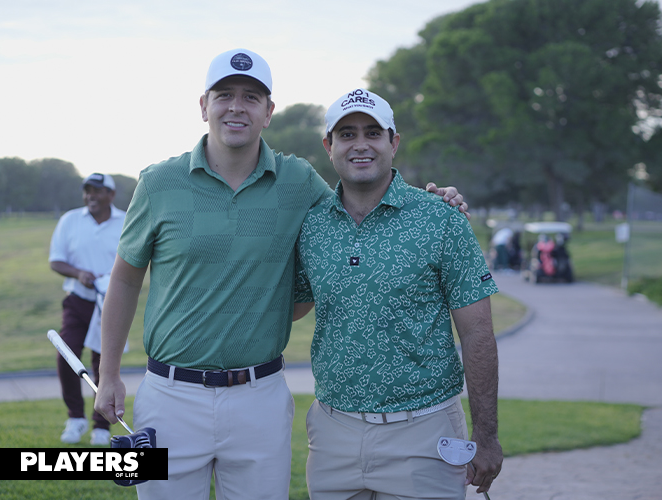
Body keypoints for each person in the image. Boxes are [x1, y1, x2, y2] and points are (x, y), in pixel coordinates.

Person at [94, 48, 467, 500]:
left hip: (260, 397)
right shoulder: (158, 183)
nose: (237, 107)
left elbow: (359, 206)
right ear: (203, 106)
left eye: (251, 97)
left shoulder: (299, 180)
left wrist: (431, 203)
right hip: (170, 396)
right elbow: (125, 279)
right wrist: (109, 373)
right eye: (224, 95)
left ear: (268, 112)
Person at [294, 89, 503, 499]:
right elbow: (292, 307)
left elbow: (477, 333)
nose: (360, 145)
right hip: (332, 434)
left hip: (424, 433)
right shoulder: (312, 226)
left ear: (394, 143)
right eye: (347, 134)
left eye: (373, 133)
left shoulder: (442, 219)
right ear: (329, 147)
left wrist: (487, 435)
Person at [49, 173, 125, 445]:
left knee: (103, 365)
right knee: (66, 355)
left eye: (98, 191)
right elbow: (56, 261)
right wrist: (78, 273)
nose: (91, 195)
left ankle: (101, 427)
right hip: (78, 300)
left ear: (111, 195)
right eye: (87, 190)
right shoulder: (70, 220)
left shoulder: (125, 221)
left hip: (110, 303)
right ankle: (76, 418)